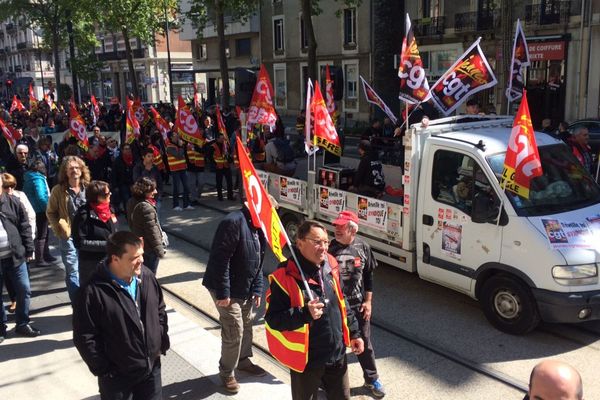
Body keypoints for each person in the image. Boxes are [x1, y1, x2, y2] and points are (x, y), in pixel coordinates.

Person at [264, 220, 364, 400]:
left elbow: (342, 302)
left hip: (336, 355)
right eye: (317, 241)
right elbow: (273, 320)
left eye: (326, 242)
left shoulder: (330, 264)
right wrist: (304, 314)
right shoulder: (284, 277)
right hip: (308, 361)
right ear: (300, 243)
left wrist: (355, 333)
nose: (324, 247)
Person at [73, 231, 170, 400]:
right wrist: (104, 369)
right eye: (134, 258)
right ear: (115, 259)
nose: (141, 260)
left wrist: (160, 339)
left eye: (141, 255)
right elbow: (85, 336)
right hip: (117, 378)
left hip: (151, 369)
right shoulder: (91, 292)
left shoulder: (146, 276)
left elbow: (159, 309)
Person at [202, 205, 267, 393]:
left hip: (244, 287)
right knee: (234, 330)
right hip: (226, 288)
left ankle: (243, 360)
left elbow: (259, 258)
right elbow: (220, 259)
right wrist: (223, 292)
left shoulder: (258, 225)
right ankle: (227, 372)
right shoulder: (233, 221)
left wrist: (257, 287)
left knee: (247, 324)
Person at [329, 211, 385, 398]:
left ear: (352, 229)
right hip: (336, 307)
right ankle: (330, 382)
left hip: (358, 307)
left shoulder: (363, 247)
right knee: (335, 345)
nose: (336, 229)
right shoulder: (329, 249)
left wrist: (368, 301)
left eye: (341, 226)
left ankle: (371, 379)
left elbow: (369, 275)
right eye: (336, 225)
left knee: (364, 344)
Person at [0, 172, 39, 342]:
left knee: (24, 289)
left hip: (16, 256)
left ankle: (22, 323)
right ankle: (1, 327)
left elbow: (24, 225)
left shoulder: (13, 202)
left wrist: (29, 248)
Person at [47, 155, 91, 302]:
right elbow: (51, 212)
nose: (74, 171)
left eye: (77, 167)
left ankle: (87, 302)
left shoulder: (89, 188)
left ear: (82, 170)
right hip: (69, 236)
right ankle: (78, 305)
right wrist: (58, 229)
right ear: (65, 172)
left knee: (87, 269)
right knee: (72, 270)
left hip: (87, 235)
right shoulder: (58, 190)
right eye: (71, 168)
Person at [72, 180, 118, 287]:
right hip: (92, 265)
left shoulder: (110, 209)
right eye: (107, 194)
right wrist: (107, 245)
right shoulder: (83, 215)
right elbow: (79, 242)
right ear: (97, 197)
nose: (110, 195)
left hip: (111, 261)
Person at [126, 177, 165, 275]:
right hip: (149, 248)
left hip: (139, 243)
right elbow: (152, 231)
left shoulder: (132, 201)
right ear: (145, 191)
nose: (155, 192)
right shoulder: (146, 207)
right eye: (152, 189)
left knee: (141, 273)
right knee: (149, 275)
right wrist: (160, 250)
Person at [22, 161, 55, 267]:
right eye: (43, 167)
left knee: (44, 233)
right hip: (40, 209)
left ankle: (46, 254)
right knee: (42, 234)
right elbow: (41, 195)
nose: (44, 169)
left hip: (34, 208)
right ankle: (40, 259)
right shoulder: (37, 178)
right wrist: (48, 209)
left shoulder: (29, 177)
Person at [165, 132, 193, 211]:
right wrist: (181, 146)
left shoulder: (179, 144)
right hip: (175, 169)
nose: (177, 136)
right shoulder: (169, 147)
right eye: (175, 135)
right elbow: (178, 155)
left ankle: (186, 204)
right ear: (171, 137)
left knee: (186, 186)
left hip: (183, 168)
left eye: (177, 134)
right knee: (176, 188)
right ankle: (175, 205)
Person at [210, 133, 234, 201]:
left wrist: (230, 159)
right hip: (219, 166)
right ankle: (220, 196)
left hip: (226, 165)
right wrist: (214, 163)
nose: (222, 139)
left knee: (229, 182)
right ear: (217, 139)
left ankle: (230, 196)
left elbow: (229, 154)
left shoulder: (225, 145)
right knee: (219, 182)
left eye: (223, 138)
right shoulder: (213, 146)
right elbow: (209, 156)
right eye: (221, 138)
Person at [112, 143, 135, 214]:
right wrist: (115, 186)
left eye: (129, 149)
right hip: (123, 184)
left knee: (134, 199)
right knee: (126, 199)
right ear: (122, 150)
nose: (128, 151)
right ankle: (128, 214)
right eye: (126, 149)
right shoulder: (118, 161)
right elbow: (114, 174)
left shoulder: (134, 159)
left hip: (133, 183)